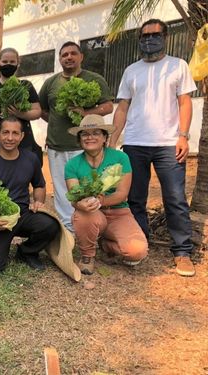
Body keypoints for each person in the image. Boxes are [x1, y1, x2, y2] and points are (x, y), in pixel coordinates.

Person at [110, 19, 197, 277]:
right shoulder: (131, 71)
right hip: (135, 143)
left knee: (175, 199)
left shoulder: (178, 66)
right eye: (144, 36)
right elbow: (123, 107)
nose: (149, 39)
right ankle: (140, 244)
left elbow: (185, 103)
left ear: (165, 36)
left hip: (169, 144)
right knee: (135, 198)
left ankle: (182, 252)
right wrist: (114, 139)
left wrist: (183, 135)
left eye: (155, 34)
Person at [39, 42, 113, 232]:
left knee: (89, 187)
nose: (68, 57)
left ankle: (89, 225)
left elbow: (107, 107)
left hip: (86, 147)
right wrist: (56, 124)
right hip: (57, 146)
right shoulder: (51, 83)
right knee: (62, 190)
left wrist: (85, 112)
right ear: (60, 59)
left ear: (81, 56)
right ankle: (68, 229)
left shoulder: (94, 79)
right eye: (64, 55)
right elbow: (43, 110)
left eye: (73, 53)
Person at [0, 115, 60, 273]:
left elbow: (39, 185)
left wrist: (38, 202)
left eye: (15, 133)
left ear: (22, 136)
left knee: (50, 225)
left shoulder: (30, 158)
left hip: (23, 214)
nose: (10, 138)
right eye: (5, 132)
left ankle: (26, 251)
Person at [64, 114, 148, 275]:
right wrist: (79, 204)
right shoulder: (72, 164)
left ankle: (105, 245)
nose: (90, 137)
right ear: (80, 139)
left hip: (119, 213)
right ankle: (88, 255)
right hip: (91, 213)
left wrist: (100, 201)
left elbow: (122, 194)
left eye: (96, 133)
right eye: (85, 134)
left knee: (136, 252)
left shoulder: (120, 158)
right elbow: (74, 196)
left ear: (104, 137)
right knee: (82, 216)